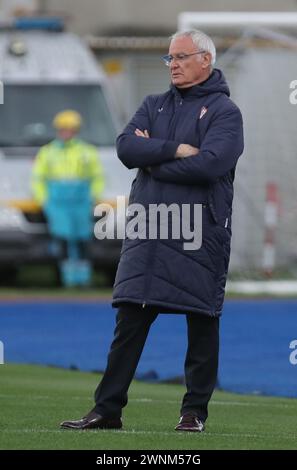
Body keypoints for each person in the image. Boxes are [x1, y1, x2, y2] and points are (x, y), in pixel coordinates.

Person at [60, 30, 244, 432]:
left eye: (181, 57)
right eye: (169, 58)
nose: (173, 64)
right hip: (149, 227)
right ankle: (107, 410)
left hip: (200, 230)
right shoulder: (152, 105)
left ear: (205, 61)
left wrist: (153, 157)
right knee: (130, 318)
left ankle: (193, 413)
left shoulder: (225, 112)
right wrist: (176, 150)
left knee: (201, 319)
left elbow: (212, 165)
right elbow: (126, 148)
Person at [32, 110, 104, 286]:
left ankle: (84, 279)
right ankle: (67, 280)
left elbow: (98, 177)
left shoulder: (87, 152)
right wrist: (44, 200)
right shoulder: (47, 152)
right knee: (62, 239)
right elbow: (38, 178)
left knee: (82, 239)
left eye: (70, 129)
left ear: (76, 130)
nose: (66, 132)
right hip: (57, 203)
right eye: (63, 129)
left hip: (81, 202)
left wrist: (92, 197)